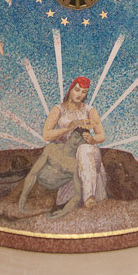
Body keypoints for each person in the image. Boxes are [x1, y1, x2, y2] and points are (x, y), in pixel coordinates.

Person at [40, 75, 107, 210]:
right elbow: (46, 135)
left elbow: (102, 135)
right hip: (70, 157)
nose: (79, 94)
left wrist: (92, 139)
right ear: (70, 89)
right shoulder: (58, 110)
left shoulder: (89, 110)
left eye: (84, 92)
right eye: (77, 90)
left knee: (84, 149)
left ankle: (89, 198)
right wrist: (67, 129)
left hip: (90, 154)